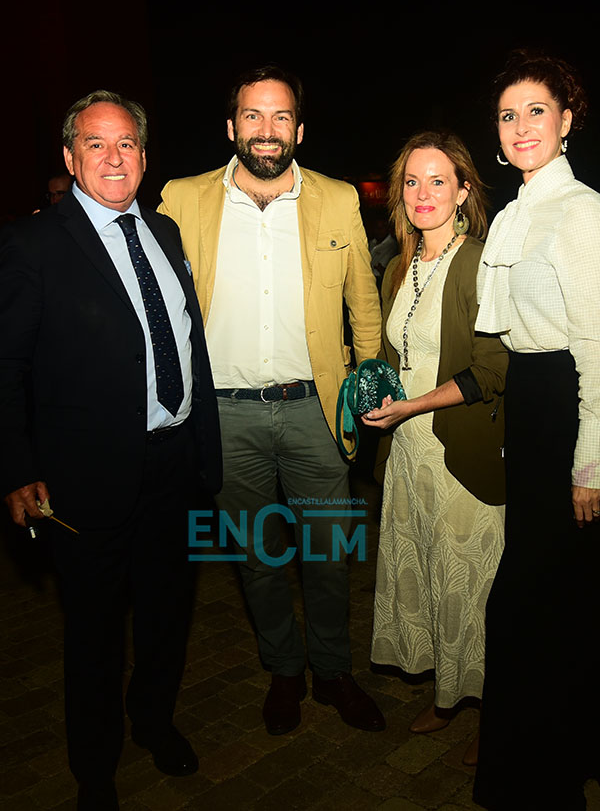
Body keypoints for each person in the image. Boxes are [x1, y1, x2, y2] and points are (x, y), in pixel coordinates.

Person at [0, 90, 221, 811]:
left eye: (127, 144)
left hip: (174, 467)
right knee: (93, 635)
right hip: (85, 477)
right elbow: (1, 368)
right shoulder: (33, 243)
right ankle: (95, 768)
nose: (114, 158)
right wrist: (15, 469)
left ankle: (154, 722)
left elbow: (184, 342)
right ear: (70, 156)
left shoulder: (165, 233)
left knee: (167, 615)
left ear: (144, 155)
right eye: (96, 144)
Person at [158, 65, 384, 737]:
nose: (266, 129)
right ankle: (284, 669)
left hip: (316, 413)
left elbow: (363, 303)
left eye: (280, 116)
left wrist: (368, 383)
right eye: (253, 116)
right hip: (224, 417)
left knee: (328, 554)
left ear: (299, 130)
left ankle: (333, 670)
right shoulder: (181, 198)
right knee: (256, 559)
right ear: (231, 126)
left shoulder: (337, 198)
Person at [472, 51, 600, 809]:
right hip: (532, 405)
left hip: (569, 409)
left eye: (536, 111)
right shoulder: (517, 212)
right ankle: (593, 743)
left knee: (525, 602)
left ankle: (542, 778)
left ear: (567, 120)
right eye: (507, 115)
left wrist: (590, 466)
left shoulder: (581, 214)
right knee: (568, 595)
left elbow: (599, 355)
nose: (521, 127)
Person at [361, 131, 505, 766]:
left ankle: (496, 714)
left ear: (463, 190)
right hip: (407, 454)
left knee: (473, 589)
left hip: (459, 452)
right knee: (428, 577)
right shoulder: (399, 266)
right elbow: (393, 354)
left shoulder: (481, 262)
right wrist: (370, 390)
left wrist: (411, 406)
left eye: (438, 180)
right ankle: (449, 696)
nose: (424, 194)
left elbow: (492, 370)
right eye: (412, 182)